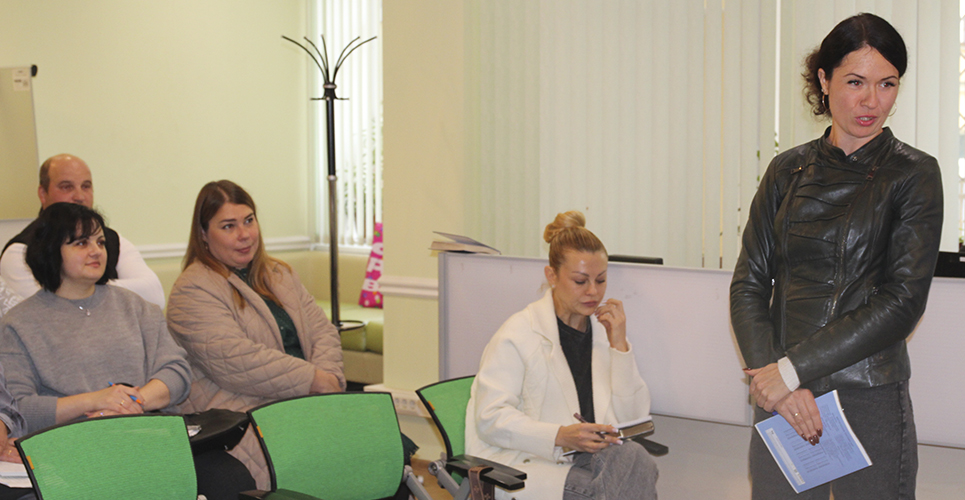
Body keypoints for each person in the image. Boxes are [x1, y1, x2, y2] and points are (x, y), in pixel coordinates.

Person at [730, 13, 943, 500]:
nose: (872, 101)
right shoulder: (786, 170)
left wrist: (790, 370)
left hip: (867, 394)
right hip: (783, 396)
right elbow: (749, 283)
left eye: (887, 84)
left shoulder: (914, 174)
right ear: (824, 81)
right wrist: (776, 378)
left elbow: (902, 302)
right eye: (855, 82)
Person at [0, 202, 253, 500]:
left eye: (100, 242)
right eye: (81, 243)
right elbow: (21, 409)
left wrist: (133, 401)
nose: (96, 251)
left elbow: (176, 372)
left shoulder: (135, 306)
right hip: (75, 450)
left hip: (150, 438)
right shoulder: (18, 324)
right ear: (51, 251)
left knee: (231, 479)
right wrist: (95, 400)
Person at [466, 211, 658, 500]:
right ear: (552, 276)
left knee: (637, 458)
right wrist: (559, 435)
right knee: (609, 490)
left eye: (601, 280)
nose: (593, 292)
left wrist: (619, 346)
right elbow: (490, 419)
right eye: (581, 281)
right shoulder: (518, 334)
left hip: (584, 458)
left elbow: (634, 419)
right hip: (525, 461)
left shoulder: (603, 332)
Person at [166, 180, 345, 489]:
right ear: (203, 234)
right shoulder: (192, 289)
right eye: (228, 226)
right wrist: (313, 379)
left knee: (386, 453)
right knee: (319, 467)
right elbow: (237, 361)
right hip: (241, 413)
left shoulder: (279, 274)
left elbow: (323, 331)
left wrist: (328, 378)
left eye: (249, 220)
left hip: (306, 401)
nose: (244, 234)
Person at [0, 154, 164, 309]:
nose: (79, 196)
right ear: (43, 194)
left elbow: (154, 297)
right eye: (66, 187)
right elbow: (49, 312)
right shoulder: (19, 252)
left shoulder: (112, 239)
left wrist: (81, 287)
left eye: (86, 186)